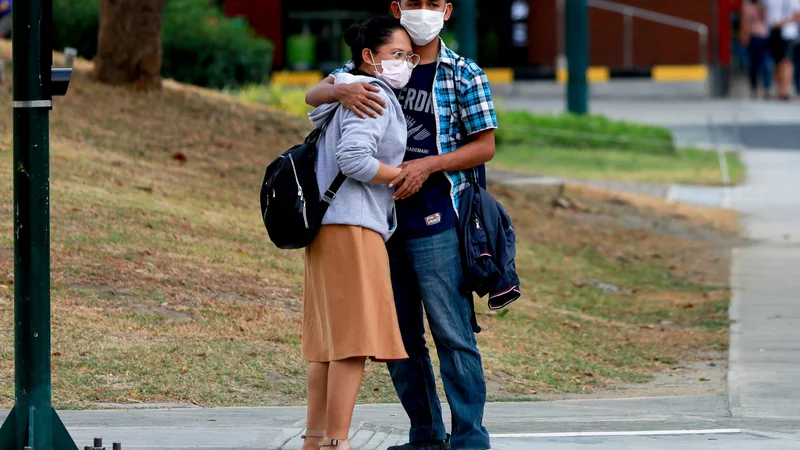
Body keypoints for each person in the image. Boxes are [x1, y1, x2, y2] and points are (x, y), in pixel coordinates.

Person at [306, 1, 498, 449]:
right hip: (379, 222)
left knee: (452, 332)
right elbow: (315, 94)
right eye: (415, 3)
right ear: (398, 7)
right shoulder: (374, 60)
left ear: (447, 10)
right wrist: (339, 92)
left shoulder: (463, 72)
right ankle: (425, 434)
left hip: (436, 218)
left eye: (433, 3)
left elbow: (485, 145)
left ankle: (470, 437)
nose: (423, 11)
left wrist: (427, 166)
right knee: (400, 338)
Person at [300, 17, 418, 450]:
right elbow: (354, 159)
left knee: (327, 343)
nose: (404, 63)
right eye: (396, 55)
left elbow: (312, 99)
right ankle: (338, 442)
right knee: (350, 343)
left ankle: (316, 440)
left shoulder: (346, 88)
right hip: (353, 226)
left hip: (327, 227)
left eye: (409, 56)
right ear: (369, 57)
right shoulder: (374, 95)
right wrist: (401, 174)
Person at [765, 0, 800, 99]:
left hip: (788, 33)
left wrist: (783, 22)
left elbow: (798, 14)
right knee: (777, 63)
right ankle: (780, 89)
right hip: (772, 32)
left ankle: (784, 91)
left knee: (786, 61)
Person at [741, 0, 773, 98]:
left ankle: (767, 87)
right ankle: (754, 88)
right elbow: (745, 22)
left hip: (765, 37)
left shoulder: (765, 6)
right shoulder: (747, 7)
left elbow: (768, 20)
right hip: (753, 37)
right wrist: (744, 36)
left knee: (765, 64)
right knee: (754, 64)